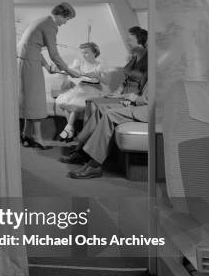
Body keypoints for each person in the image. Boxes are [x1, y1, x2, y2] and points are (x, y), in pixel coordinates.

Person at [59, 25, 148, 169]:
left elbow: (142, 90)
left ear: (140, 41)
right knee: (91, 102)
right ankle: (80, 148)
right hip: (121, 94)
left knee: (98, 106)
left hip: (130, 98)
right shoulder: (134, 58)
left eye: (130, 39)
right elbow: (125, 81)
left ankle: (82, 150)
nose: (127, 42)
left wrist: (127, 98)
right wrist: (116, 93)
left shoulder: (148, 60)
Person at [18, 2, 79, 149]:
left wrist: (45, 66)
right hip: (30, 63)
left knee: (30, 99)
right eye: (66, 19)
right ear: (62, 15)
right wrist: (69, 71)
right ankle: (38, 138)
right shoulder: (51, 26)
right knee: (36, 100)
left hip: (26, 61)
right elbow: (54, 54)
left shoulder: (42, 20)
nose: (64, 23)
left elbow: (33, 47)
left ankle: (26, 135)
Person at [68, 85, 148, 178]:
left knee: (109, 115)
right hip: (140, 105)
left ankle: (94, 164)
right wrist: (132, 99)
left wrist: (136, 99)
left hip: (147, 110)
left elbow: (155, 99)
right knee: (100, 109)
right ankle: (82, 150)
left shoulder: (162, 73)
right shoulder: (152, 72)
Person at [55, 42, 106, 142]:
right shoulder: (80, 63)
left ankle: (68, 129)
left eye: (86, 52)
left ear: (95, 53)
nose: (84, 55)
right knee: (63, 103)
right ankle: (70, 129)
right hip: (81, 87)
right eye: (82, 53)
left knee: (75, 105)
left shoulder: (99, 65)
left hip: (93, 89)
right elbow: (70, 71)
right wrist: (62, 69)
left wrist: (96, 76)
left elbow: (106, 81)